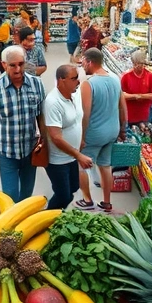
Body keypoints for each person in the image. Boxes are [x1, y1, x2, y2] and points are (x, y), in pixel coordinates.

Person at [0, 45, 47, 202]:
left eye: (21, 64)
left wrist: (44, 141)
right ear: (4, 64)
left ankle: (24, 225)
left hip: (29, 150)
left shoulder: (36, 85)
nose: (18, 69)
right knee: (10, 195)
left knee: (26, 194)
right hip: (7, 152)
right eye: (12, 65)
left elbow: (41, 115)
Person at [76, 48, 126, 212]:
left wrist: (82, 137)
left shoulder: (88, 84)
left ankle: (87, 200)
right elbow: (122, 108)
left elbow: (86, 114)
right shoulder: (115, 80)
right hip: (112, 131)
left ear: (90, 62)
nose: (82, 65)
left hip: (95, 133)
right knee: (105, 166)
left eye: (83, 61)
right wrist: (123, 129)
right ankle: (106, 202)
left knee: (81, 166)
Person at [44, 65, 93, 210]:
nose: (77, 82)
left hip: (71, 156)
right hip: (58, 160)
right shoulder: (53, 102)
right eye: (74, 79)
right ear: (61, 80)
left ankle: (57, 214)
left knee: (73, 188)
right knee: (63, 195)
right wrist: (79, 156)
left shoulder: (74, 94)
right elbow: (56, 137)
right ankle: (46, 219)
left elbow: (78, 120)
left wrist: (81, 139)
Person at [121, 50, 152, 125]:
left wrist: (138, 96)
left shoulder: (150, 76)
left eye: (140, 64)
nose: (137, 66)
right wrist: (140, 96)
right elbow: (121, 95)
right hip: (129, 114)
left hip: (145, 114)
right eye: (135, 63)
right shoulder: (126, 76)